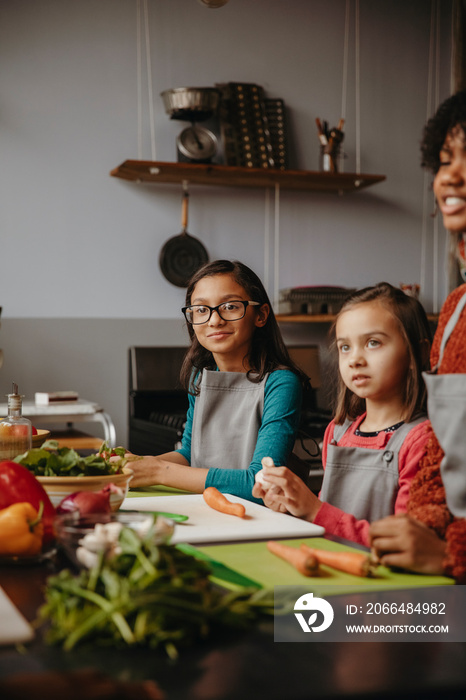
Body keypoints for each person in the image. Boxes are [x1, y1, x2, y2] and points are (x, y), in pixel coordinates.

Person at [252, 282, 433, 547]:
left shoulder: (422, 441)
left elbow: (406, 547)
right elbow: (327, 518)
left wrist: (313, 509)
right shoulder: (338, 432)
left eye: (373, 343)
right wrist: (290, 506)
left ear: (419, 352)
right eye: (344, 347)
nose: (354, 359)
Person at [370, 89, 466, 582]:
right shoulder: (454, 310)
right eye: (445, 160)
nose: (451, 175)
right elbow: (445, 455)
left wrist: (452, 557)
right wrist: (421, 525)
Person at [127, 259, 309, 500]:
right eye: (201, 309)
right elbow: (190, 454)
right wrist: (134, 466)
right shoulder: (199, 377)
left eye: (230, 306)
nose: (214, 320)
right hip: (208, 509)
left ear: (261, 315)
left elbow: (260, 484)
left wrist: (159, 472)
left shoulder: (281, 383)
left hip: (259, 520)